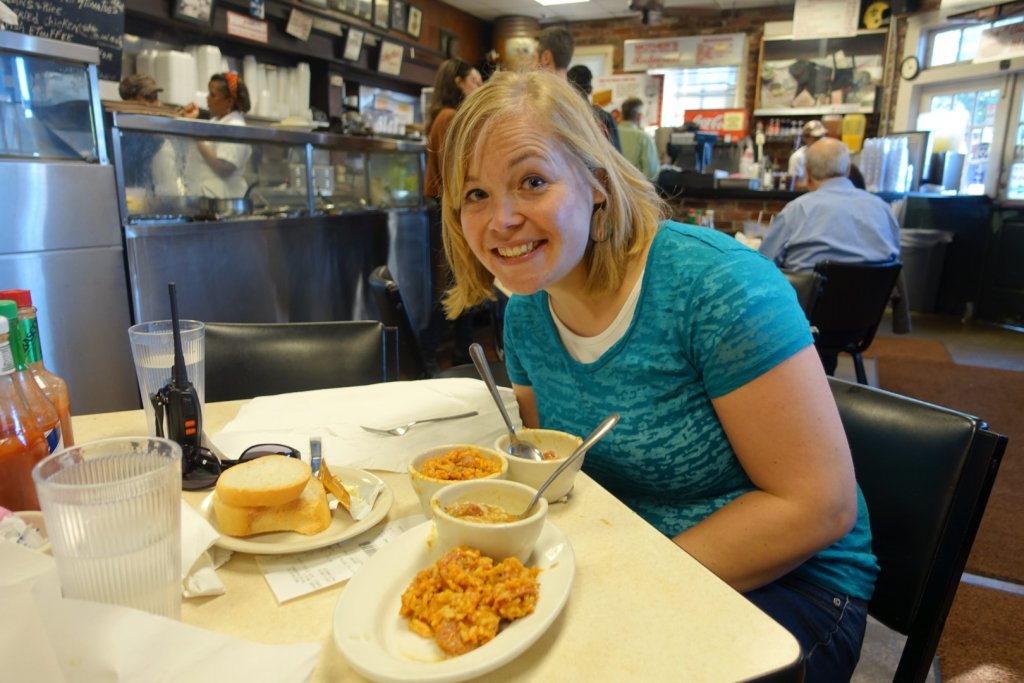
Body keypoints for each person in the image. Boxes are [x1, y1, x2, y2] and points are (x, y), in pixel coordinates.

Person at [438, 70, 877, 682]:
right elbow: (558, 468)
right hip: (625, 557)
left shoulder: (717, 287)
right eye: (475, 195)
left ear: (595, 182)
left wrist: (619, 581)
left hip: (795, 589)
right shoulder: (526, 312)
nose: (501, 219)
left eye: (531, 181)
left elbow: (818, 508)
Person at [422, 59, 484, 372]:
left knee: (462, 284)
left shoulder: (445, 116)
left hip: (451, 209)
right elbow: (457, 173)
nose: (479, 86)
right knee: (457, 285)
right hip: (449, 211)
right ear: (459, 82)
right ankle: (425, 349)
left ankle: (461, 353)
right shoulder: (449, 117)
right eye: (475, 80)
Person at [758, 137, 900, 273]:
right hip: (873, 298)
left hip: (806, 297)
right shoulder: (883, 209)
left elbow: (763, 266)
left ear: (807, 173)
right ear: (848, 170)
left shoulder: (796, 211)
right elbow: (895, 261)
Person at [181, 72, 252, 198]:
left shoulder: (235, 127)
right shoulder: (216, 122)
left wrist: (197, 138)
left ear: (229, 101)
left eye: (212, 95)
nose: (207, 98)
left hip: (225, 200)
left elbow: (224, 169)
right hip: (207, 197)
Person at [566, 65, 621, 153]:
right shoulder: (606, 118)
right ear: (590, 90)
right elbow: (618, 155)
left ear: (568, 89)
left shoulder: (565, 117)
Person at [617, 96, 659, 181]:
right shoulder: (643, 137)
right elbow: (651, 172)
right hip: (636, 188)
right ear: (639, 116)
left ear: (622, 114)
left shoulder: (609, 133)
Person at [787, 120, 827, 190]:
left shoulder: (827, 155)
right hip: (804, 197)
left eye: (822, 136)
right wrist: (819, 186)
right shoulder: (798, 157)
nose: (821, 140)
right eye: (817, 137)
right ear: (806, 138)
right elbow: (794, 186)